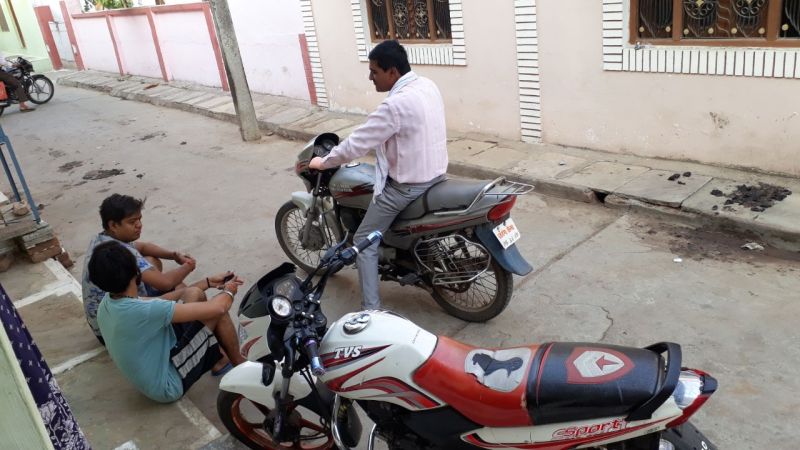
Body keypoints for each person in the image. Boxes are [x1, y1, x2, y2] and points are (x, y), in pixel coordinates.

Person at [308, 40, 448, 310]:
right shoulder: (427, 85)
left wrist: (324, 162)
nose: (370, 77)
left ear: (392, 72)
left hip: (407, 187)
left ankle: (371, 310)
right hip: (436, 175)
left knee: (363, 241)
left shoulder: (394, 105)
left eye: (374, 71)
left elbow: (357, 144)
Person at [88, 240, 245, 403]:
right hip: (169, 384)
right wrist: (229, 290)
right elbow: (218, 308)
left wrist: (207, 282)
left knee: (195, 293)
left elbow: (159, 300)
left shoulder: (109, 302)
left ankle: (218, 358)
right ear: (136, 272)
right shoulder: (142, 311)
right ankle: (241, 365)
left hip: (155, 366)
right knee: (216, 312)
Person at [82, 194, 229, 350]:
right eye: (132, 222)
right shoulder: (123, 252)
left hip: (107, 322)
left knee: (154, 262)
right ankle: (219, 358)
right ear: (113, 225)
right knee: (205, 304)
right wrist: (189, 266)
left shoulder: (102, 240)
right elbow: (165, 284)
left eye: (140, 219)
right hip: (125, 328)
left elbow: (144, 247)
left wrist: (174, 255)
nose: (139, 225)